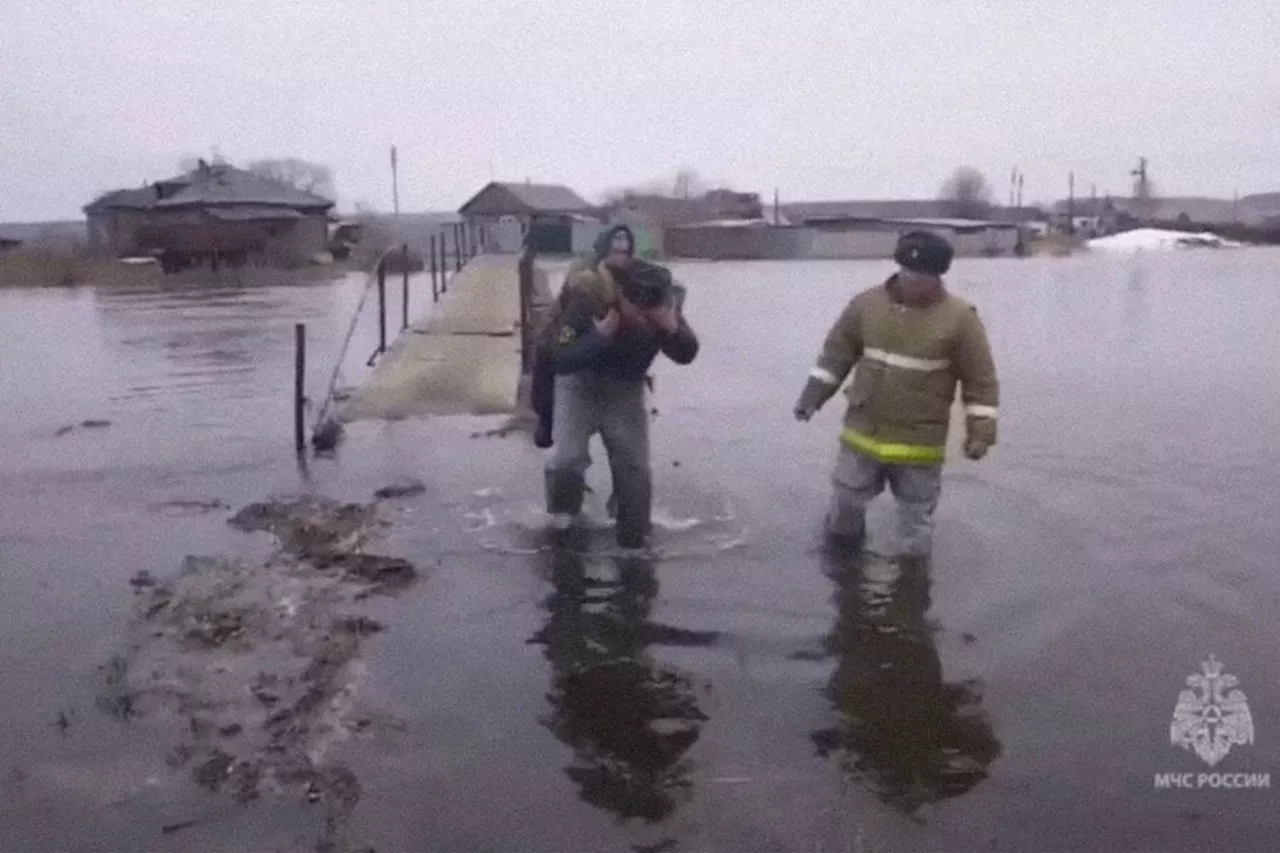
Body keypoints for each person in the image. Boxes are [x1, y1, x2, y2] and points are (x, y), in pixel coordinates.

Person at [792, 230, 999, 558]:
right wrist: (811, 398)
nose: (912, 281)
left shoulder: (961, 319)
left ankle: (912, 589)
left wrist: (981, 433)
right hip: (862, 435)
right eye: (906, 272)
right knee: (843, 512)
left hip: (918, 445)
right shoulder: (865, 305)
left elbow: (981, 381)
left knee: (916, 529)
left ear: (938, 276)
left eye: (921, 276)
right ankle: (842, 574)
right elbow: (835, 356)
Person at [545, 255, 699, 549]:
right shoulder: (589, 298)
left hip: (626, 388)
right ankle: (563, 518)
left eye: (650, 308)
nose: (644, 316)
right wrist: (600, 336)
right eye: (637, 308)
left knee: (635, 467)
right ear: (621, 296)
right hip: (580, 383)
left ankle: (633, 531)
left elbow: (687, 354)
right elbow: (559, 358)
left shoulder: (664, 306)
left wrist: (672, 330)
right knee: (567, 458)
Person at [530, 224, 636, 448]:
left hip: (614, 372)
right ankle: (547, 423)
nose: (621, 252)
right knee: (564, 457)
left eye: (625, 249)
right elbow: (558, 353)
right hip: (571, 358)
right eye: (615, 247)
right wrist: (599, 336)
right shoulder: (586, 284)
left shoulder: (637, 281)